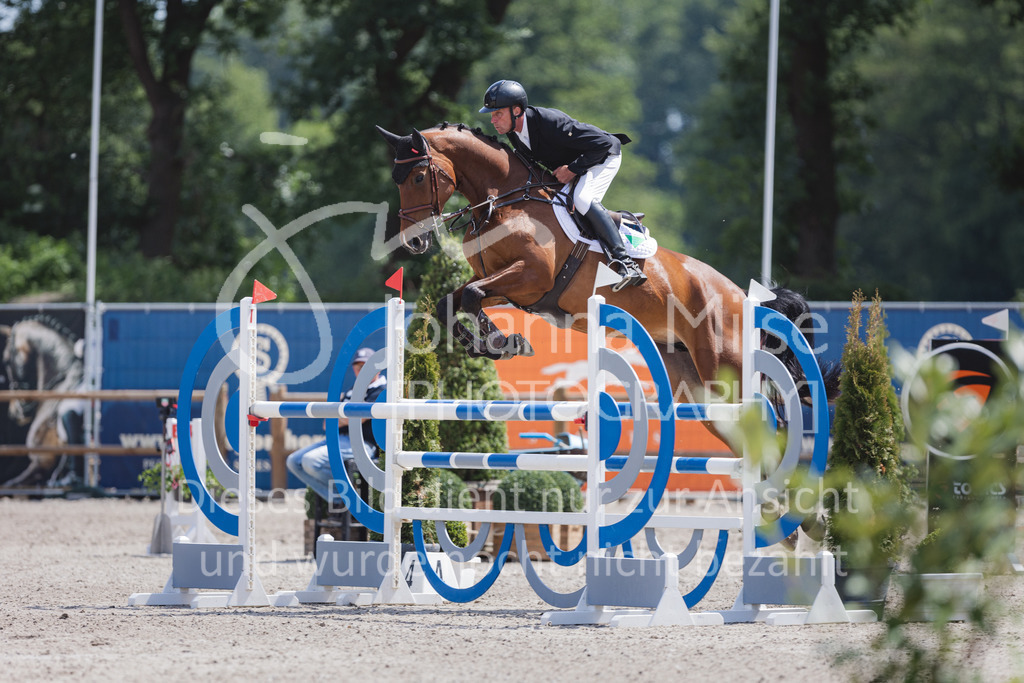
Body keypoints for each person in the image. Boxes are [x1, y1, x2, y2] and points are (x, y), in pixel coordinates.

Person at [479, 79, 647, 291]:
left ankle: (626, 263)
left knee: (582, 199)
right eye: (492, 115)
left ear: (516, 110)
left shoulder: (549, 121)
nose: (493, 120)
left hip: (603, 156)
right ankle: (616, 220)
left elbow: (603, 145)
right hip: (578, 166)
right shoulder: (514, 133)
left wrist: (572, 169)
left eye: (498, 114)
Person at [286, 347, 385, 508]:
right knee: (294, 461)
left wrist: (343, 419)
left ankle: (347, 499)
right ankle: (343, 498)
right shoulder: (351, 391)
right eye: (358, 367)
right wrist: (345, 419)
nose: (361, 370)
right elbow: (328, 423)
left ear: (377, 369)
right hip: (339, 439)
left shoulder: (381, 390)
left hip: (364, 444)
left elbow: (358, 419)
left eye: (365, 366)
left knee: (311, 461)